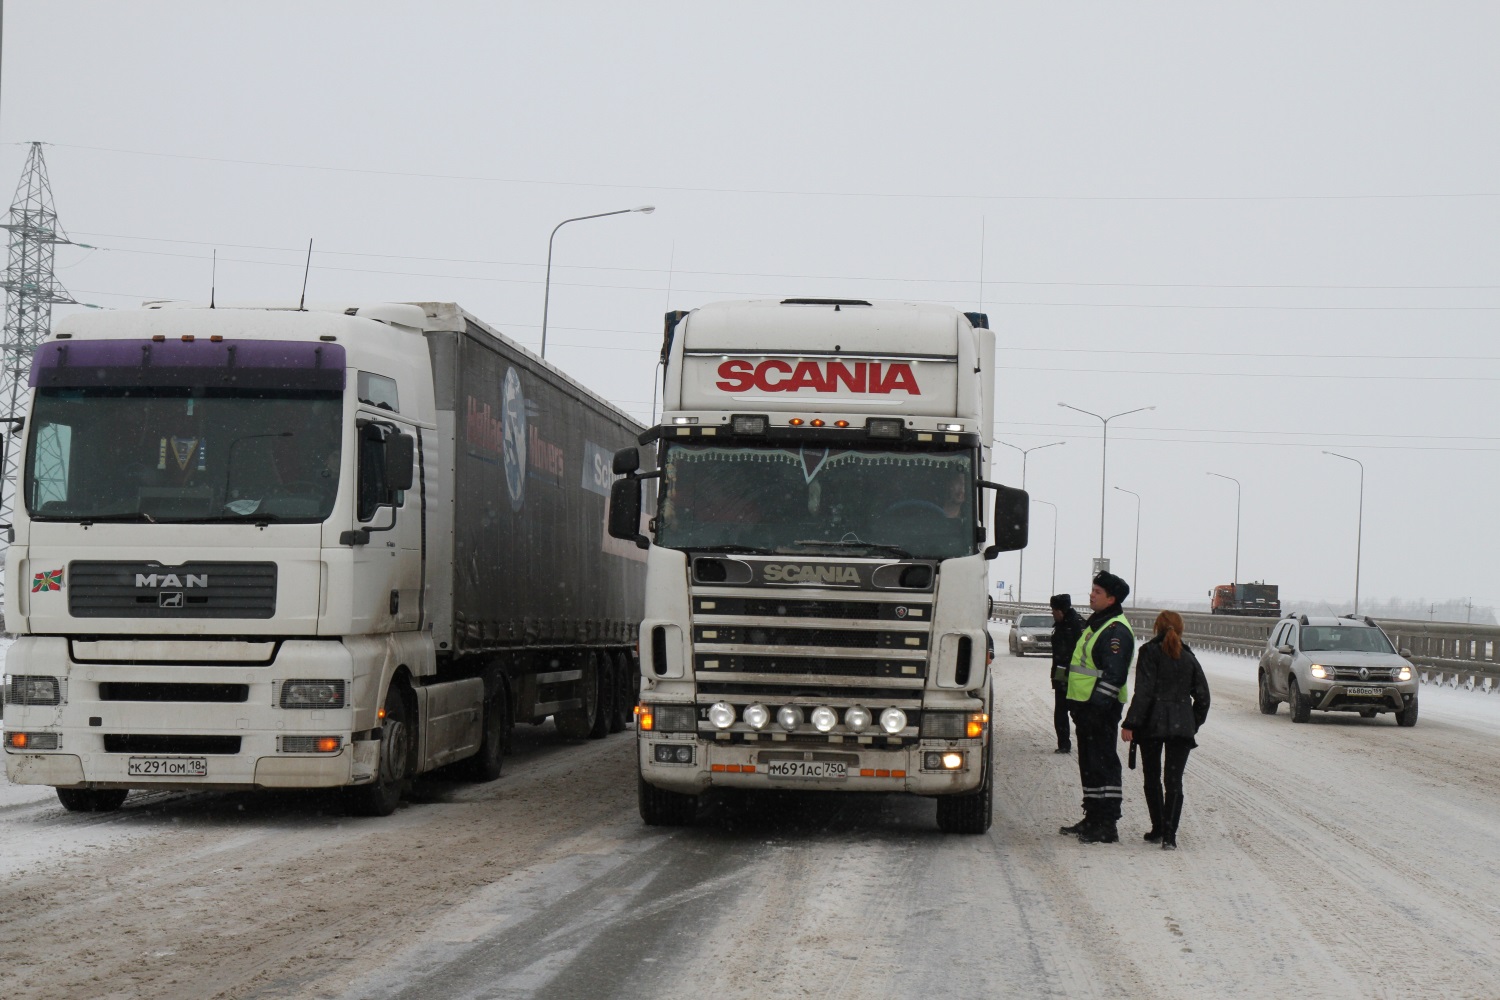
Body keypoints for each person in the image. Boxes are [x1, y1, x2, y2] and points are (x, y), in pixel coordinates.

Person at [1121, 610, 1211, 850]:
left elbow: (1144, 692)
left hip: (1152, 725)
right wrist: (1191, 722)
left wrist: (1131, 723)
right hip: (1181, 727)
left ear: (1156, 628)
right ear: (1181, 629)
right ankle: (1170, 836)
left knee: (1152, 778)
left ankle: (1158, 828)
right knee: (1174, 781)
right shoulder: (1189, 657)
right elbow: (1203, 698)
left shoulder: (1149, 652)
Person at [1058, 570, 1135, 844]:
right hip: (1087, 708)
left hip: (1100, 710)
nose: (1091, 595)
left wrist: (1096, 708)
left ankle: (1107, 823)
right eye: (1092, 590)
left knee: (1103, 763)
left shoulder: (1115, 631)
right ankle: (1092, 817)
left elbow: (1114, 676)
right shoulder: (1097, 625)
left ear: (1111, 599)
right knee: (1090, 764)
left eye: (1097, 592)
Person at [1049, 594, 1085, 755]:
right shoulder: (1063, 624)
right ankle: (1064, 743)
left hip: (1073, 675)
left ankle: (1080, 742)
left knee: (1073, 711)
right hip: (1061, 672)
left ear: (1060, 611)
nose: (1052, 613)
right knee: (1062, 710)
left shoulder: (1075, 626)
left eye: (1053, 610)